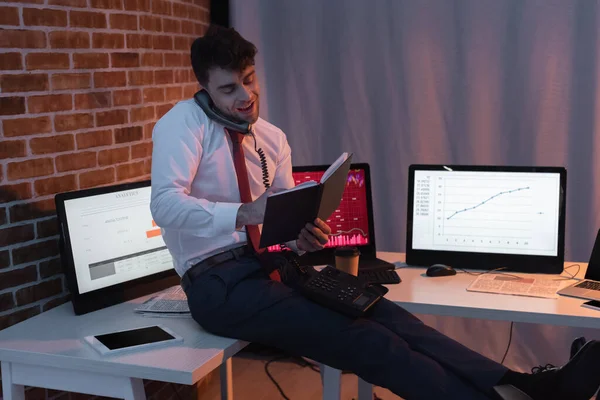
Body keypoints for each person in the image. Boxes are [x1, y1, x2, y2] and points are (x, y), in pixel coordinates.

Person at [150, 25, 600, 400]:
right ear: (204, 87)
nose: (246, 95)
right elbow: (164, 205)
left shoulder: (271, 138)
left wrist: (301, 236)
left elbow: (282, 221)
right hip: (218, 283)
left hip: (275, 264)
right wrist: (245, 213)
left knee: (387, 314)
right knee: (363, 339)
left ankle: (525, 387)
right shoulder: (182, 125)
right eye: (229, 88)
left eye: (250, 79)